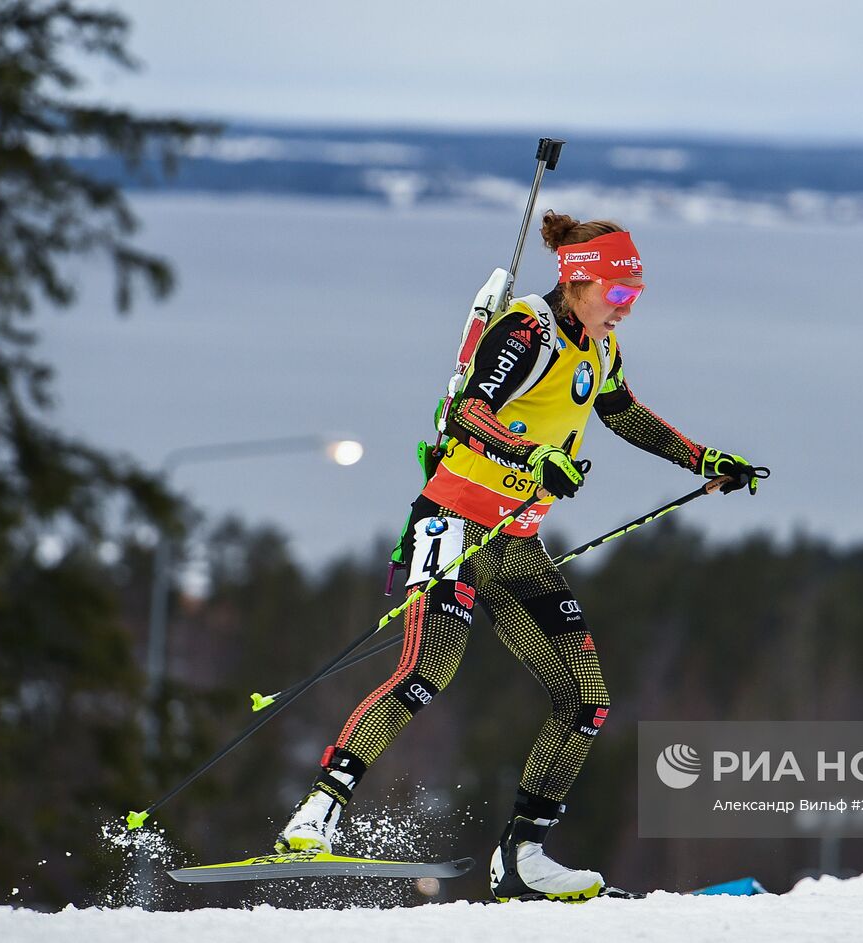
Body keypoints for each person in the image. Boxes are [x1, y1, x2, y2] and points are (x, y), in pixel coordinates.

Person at [275, 211, 761, 901]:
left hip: (516, 542)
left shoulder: (599, 346)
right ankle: (318, 810)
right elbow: (472, 410)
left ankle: (522, 857)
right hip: (452, 523)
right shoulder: (528, 329)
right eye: (617, 295)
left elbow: (624, 413)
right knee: (428, 670)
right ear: (579, 281)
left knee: (586, 699)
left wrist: (701, 459)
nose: (626, 309)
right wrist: (533, 454)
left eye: (635, 298)